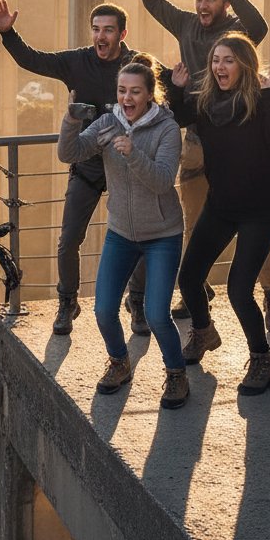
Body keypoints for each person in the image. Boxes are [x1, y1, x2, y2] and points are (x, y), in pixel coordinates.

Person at [136, 0, 270, 329]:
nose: (203, 5)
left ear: (222, 3)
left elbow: (260, 25)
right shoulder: (185, 23)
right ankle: (196, 289)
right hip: (200, 138)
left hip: (238, 135)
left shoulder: (236, 28)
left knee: (251, 223)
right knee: (196, 216)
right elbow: (154, 4)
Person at [0, 0, 136, 335]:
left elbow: (167, 85)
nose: (101, 36)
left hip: (125, 163)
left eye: (108, 30)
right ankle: (67, 302)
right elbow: (33, 59)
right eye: (96, 29)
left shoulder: (136, 63)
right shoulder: (77, 62)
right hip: (86, 163)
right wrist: (8, 32)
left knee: (138, 234)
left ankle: (137, 302)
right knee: (69, 239)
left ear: (121, 34)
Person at [57, 55, 189, 409]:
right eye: (121, 91)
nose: (127, 98)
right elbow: (68, 153)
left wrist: (132, 153)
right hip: (121, 232)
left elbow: (162, 182)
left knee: (158, 314)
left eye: (135, 92)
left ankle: (176, 373)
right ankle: (119, 362)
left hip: (162, 233)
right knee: (103, 310)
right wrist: (70, 119)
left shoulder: (166, 130)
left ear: (150, 94)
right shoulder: (106, 122)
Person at [169, 34, 270, 395]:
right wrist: (177, 88)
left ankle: (260, 358)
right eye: (216, 60)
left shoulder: (261, 100)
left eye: (228, 60)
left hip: (260, 209)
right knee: (189, 278)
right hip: (221, 206)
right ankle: (204, 332)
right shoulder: (206, 102)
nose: (220, 67)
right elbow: (179, 114)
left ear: (244, 64)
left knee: (240, 289)